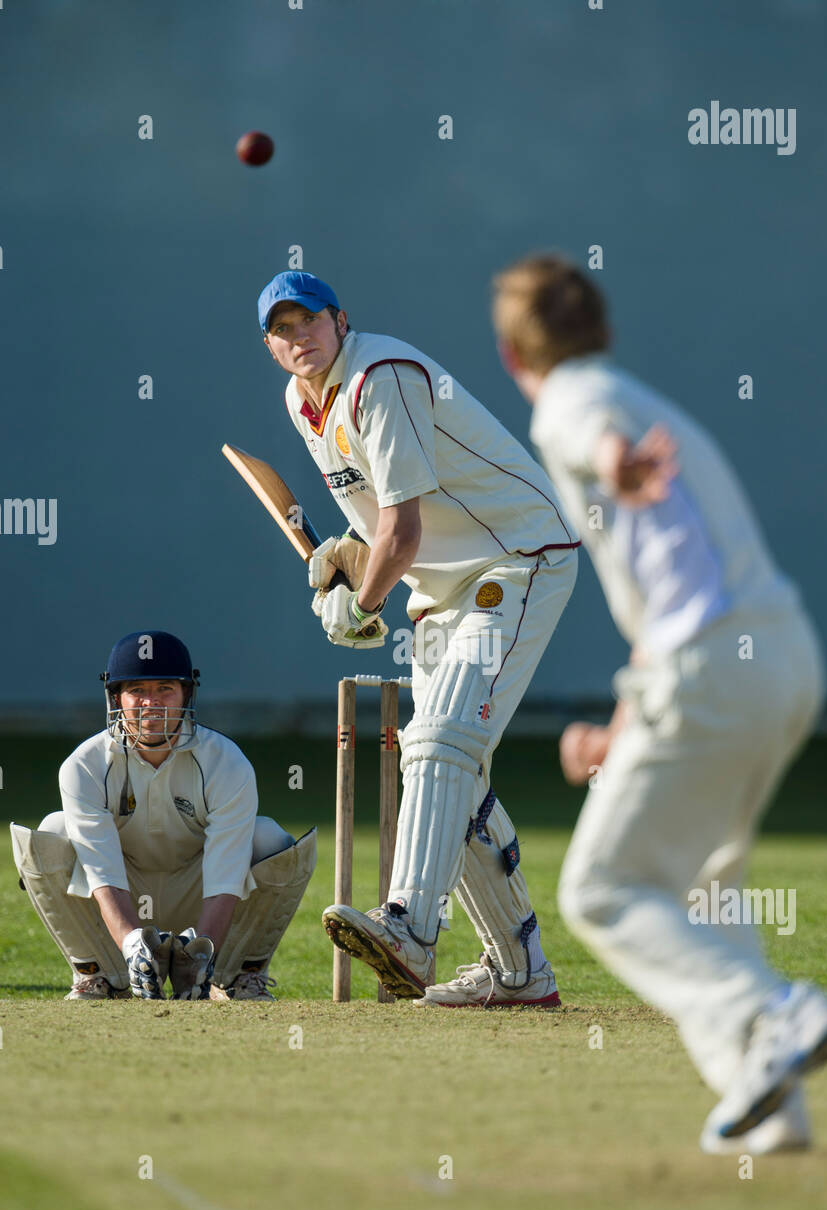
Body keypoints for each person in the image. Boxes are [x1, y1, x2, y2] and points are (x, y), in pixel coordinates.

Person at [491, 253, 827, 1151]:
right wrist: (624, 725)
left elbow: (590, 433)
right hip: (780, 658)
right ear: (602, 327)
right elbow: (680, 583)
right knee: (702, 892)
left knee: (604, 891)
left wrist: (614, 465)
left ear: (510, 355)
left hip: (712, 670)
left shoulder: (575, 402)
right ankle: (771, 1106)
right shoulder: (653, 403)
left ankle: (777, 1013)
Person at [257, 269, 580, 1005]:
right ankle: (519, 974)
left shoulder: (381, 375)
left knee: (438, 743)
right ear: (270, 346)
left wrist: (363, 604)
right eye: (281, 329)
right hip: (439, 593)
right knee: (447, 773)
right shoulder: (304, 401)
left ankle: (408, 928)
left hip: (516, 558)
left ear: (340, 320)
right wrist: (344, 550)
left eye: (308, 320)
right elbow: (381, 514)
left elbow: (401, 530)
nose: (297, 336)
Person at [10, 630, 315, 1001]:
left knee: (270, 840)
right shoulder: (85, 765)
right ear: (116, 697)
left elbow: (225, 871)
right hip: (125, 886)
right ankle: (101, 974)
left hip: (197, 887)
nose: (151, 703)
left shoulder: (225, 762)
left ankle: (234, 976)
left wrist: (203, 953)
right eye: (137, 690)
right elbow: (102, 871)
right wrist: (129, 945)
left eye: (165, 689)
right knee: (51, 832)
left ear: (187, 694)